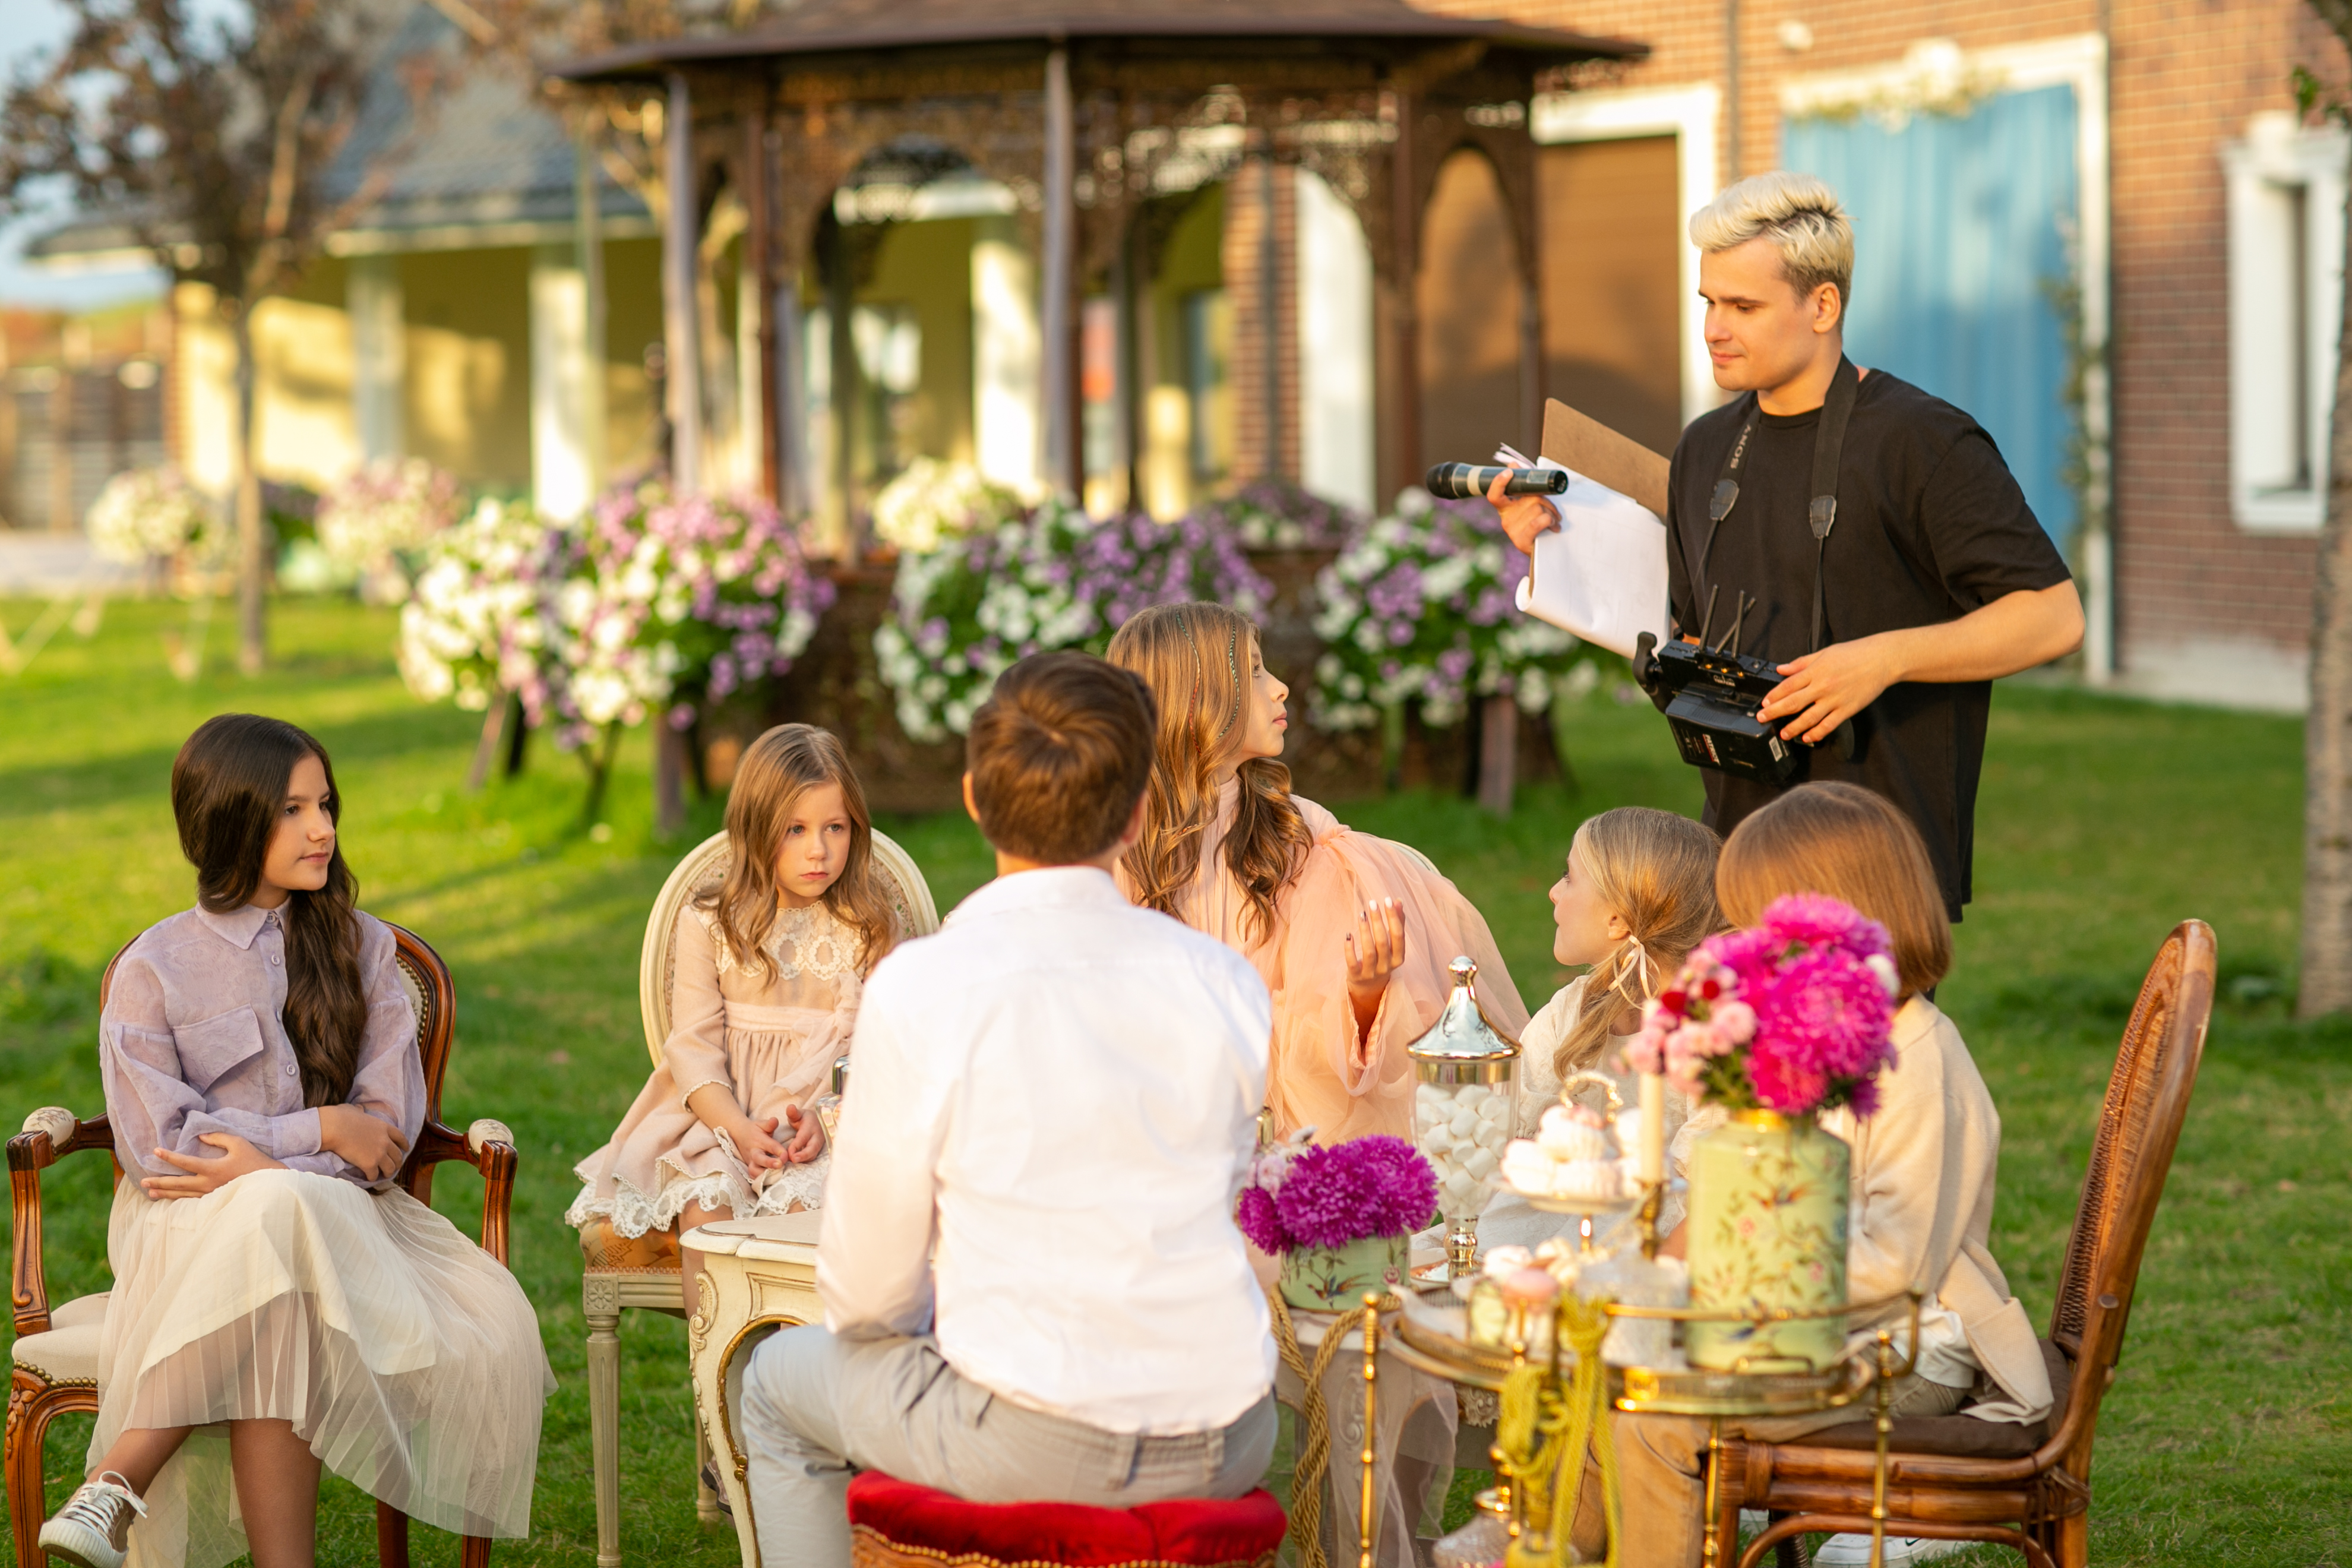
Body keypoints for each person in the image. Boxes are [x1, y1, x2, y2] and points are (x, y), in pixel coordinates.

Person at [735, 652, 1277, 1568]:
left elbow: (866, 1295)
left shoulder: (927, 985)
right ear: (1139, 811)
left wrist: (974, 1320)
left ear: (976, 801)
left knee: (775, 1386)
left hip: (1038, 1435)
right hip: (1229, 1430)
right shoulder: (1222, 979)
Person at [1491, 171, 2084, 921]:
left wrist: (1882, 659)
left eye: (1743, 305)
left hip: (1877, 866)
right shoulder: (1706, 449)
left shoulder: (1922, 441)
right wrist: (1559, 549)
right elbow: (1684, 640)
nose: (1714, 328)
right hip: (1734, 856)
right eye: (1709, 301)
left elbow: (2053, 616)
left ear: (1823, 305)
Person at [43, 715, 550, 1568]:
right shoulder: (154, 968)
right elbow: (161, 1146)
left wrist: (271, 1161)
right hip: (183, 1228)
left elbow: (384, 1140)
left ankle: (116, 1485)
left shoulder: (365, 950)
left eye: (326, 805)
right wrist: (316, 1131)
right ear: (228, 821)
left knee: (278, 1211)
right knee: (275, 1222)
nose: (324, 829)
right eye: (293, 810)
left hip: (351, 1227)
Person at [1585, 782, 2053, 1568]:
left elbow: (1901, 1267)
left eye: (1760, 927)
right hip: (1802, 1325)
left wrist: (1735, 1293)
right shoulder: (1817, 1042)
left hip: (1905, 1347)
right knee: (1601, 1370)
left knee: (1656, 1416)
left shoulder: (1916, 1059)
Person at [1107, 600, 1528, 1145]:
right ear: (1196, 696)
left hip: (1268, 1129)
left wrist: (1365, 993)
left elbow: (1316, 1039)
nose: (1280, 687)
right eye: (1255, 672)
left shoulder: (1299, 836)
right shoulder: (1106, 845)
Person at [565, 723, 897, 1313]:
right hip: (722, 1120)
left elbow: (879, 1049)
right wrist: (738, 1132)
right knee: (707, 1210)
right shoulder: (712, 922)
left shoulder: (869, 923)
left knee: (808, 1214)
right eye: (795, 830)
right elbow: (692, 1049)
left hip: (819, 1129)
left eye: (835, 828)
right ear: (755, 828)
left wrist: (829, 1118)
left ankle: (798, 1388)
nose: (818, 849)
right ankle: (718, 1390)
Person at [1479, 808, 1722, 1252]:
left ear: (1617, 920)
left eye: (1569, 877)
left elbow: (1710, 1191)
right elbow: (1506, 1130)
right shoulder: (1576, 1007)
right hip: (1548, 1232)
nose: (1553, 893)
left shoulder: (1708, 1032)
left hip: (1656, 1252)